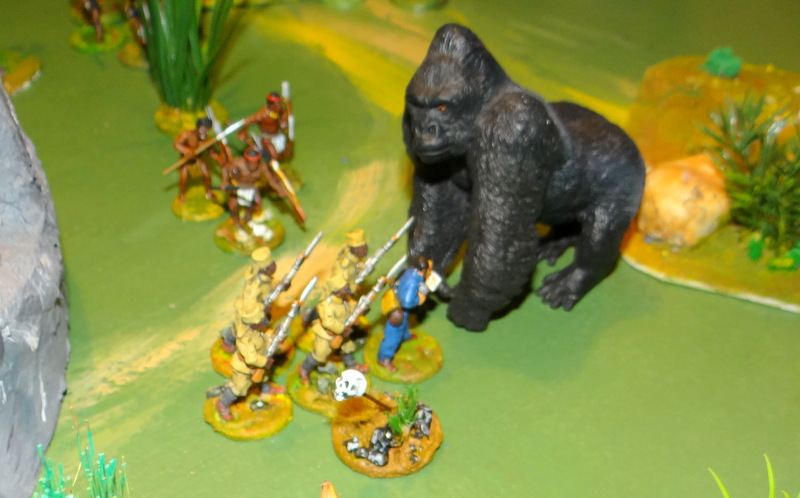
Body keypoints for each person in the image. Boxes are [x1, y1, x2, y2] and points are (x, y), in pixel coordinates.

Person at [215, 302, 287, 421]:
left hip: (259, 363)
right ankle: (222, 404)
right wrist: (265, 361)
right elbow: (251, 358)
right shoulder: (245, 338)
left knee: (263, 377)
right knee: (239, 388)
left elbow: (264, 339)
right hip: (245, 368)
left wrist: (276, 336)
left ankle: (265, 388)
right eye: (261, 319)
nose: (264, 321)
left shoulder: (256, 332)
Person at [297, 274, 369, 384]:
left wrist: (360, 308)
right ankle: (304, 370)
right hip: (327, 335)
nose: (348, 289)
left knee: (347, 348)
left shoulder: (344, 298)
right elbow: (328, 322)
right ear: (338, 290)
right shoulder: (326, 304)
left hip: (343, 331)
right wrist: (343, 329)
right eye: (345, 288)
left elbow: (351, 305)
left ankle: (351, 365)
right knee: (319, 355)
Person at [219, 247, 279, 354]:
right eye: (272, 265)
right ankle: (228, 342)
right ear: (265, 269)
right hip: (251, 312)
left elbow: (268, 289)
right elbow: (250, 301)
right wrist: (262, 309)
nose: (275, 267)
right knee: (240, 330)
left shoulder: (264, 278)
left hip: (260, 309)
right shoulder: (255, 284)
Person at [377, 256, 431, 371]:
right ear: (423, 270)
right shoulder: (413, 281)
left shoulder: (408, 270)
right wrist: (420, 298)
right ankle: (384, 359)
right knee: (392, 338)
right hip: (396, 311)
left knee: (404, 324)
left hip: (401, 306)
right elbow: (408, 302)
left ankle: (405, 336)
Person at [220, 147, 283, 234]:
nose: (253, 165)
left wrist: (279, 189)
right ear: (246, 160)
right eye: (250, 163)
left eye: (255, 162)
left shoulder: (262, 167)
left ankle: (248, 218)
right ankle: (236, 221)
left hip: (252, 188)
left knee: (256, 206)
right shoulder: (238, 163)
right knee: (234, 207)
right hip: (238, 187)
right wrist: (225, 181)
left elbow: (271, 180)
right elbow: (225, 168)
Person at [173, 117, 221, 203]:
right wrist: (188, 151)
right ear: (197, 127)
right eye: (202, 130)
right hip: (185, 160)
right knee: (183, 178)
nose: (204, 133)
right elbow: (176, 144)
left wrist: (218, 159)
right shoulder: (187, 134)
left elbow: (212, 153)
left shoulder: (207, 140)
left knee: (207, 175)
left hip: (198, 160)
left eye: (207, 130)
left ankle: (209, 192)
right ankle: (182, 194)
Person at [239, 92, 293, 162]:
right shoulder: (262, 115)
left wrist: (284, 118)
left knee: (287, 154)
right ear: (271, 105)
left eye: (280, 104)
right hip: (267, 138)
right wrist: (243, 132)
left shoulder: (277, 109)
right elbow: (248, 121)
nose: (279, 106)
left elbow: (284, 112)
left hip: (278, 134)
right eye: (277, 105)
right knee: (275, 156)